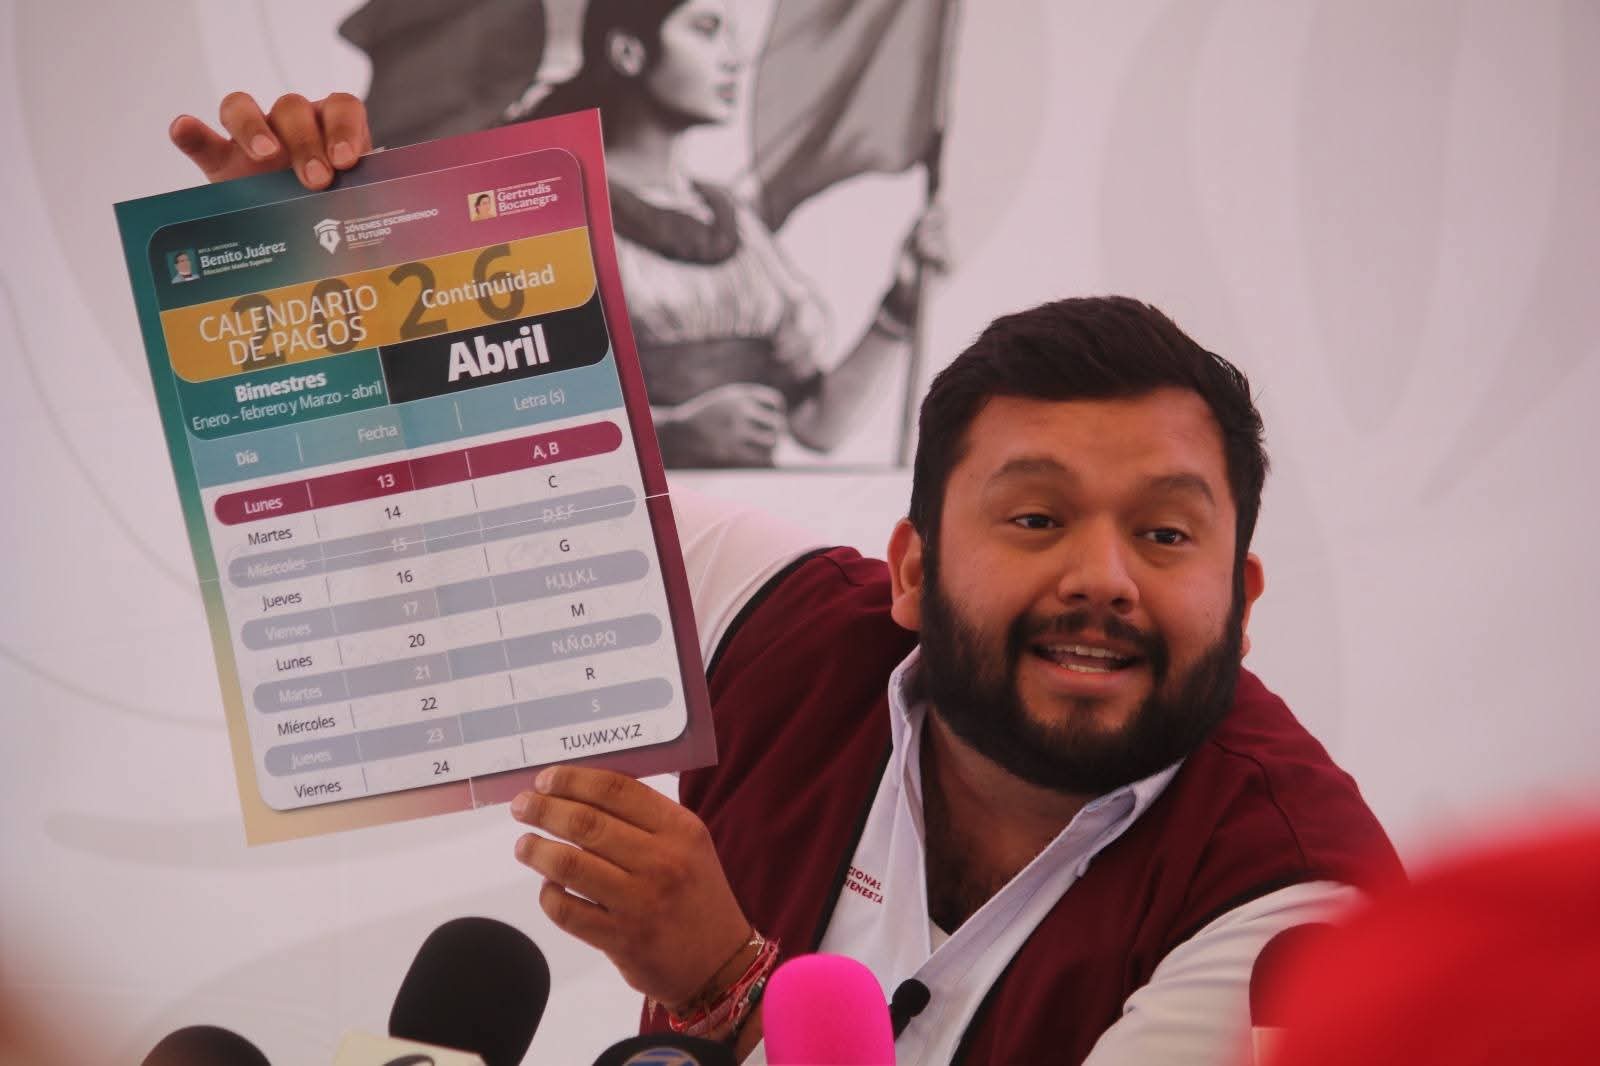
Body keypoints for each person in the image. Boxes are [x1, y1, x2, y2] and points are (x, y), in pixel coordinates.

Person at [169, 101, 1402, 1064]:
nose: (1103, 577)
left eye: (1166, 535)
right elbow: (452, 521)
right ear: (910, 569)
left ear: (1243, 599)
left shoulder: (1302, 910)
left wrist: (727, 985)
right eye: (1035, 517)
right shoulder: (785, 623)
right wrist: (309, 262)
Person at [523, 0, 943, 468]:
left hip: (748, 505)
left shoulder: (735, 221)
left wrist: (899, 305)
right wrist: (672, 433)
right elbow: (522, 425)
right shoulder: (550, 211)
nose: (733, 58)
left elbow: (817, 426)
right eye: (706, 30)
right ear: (628, 52)